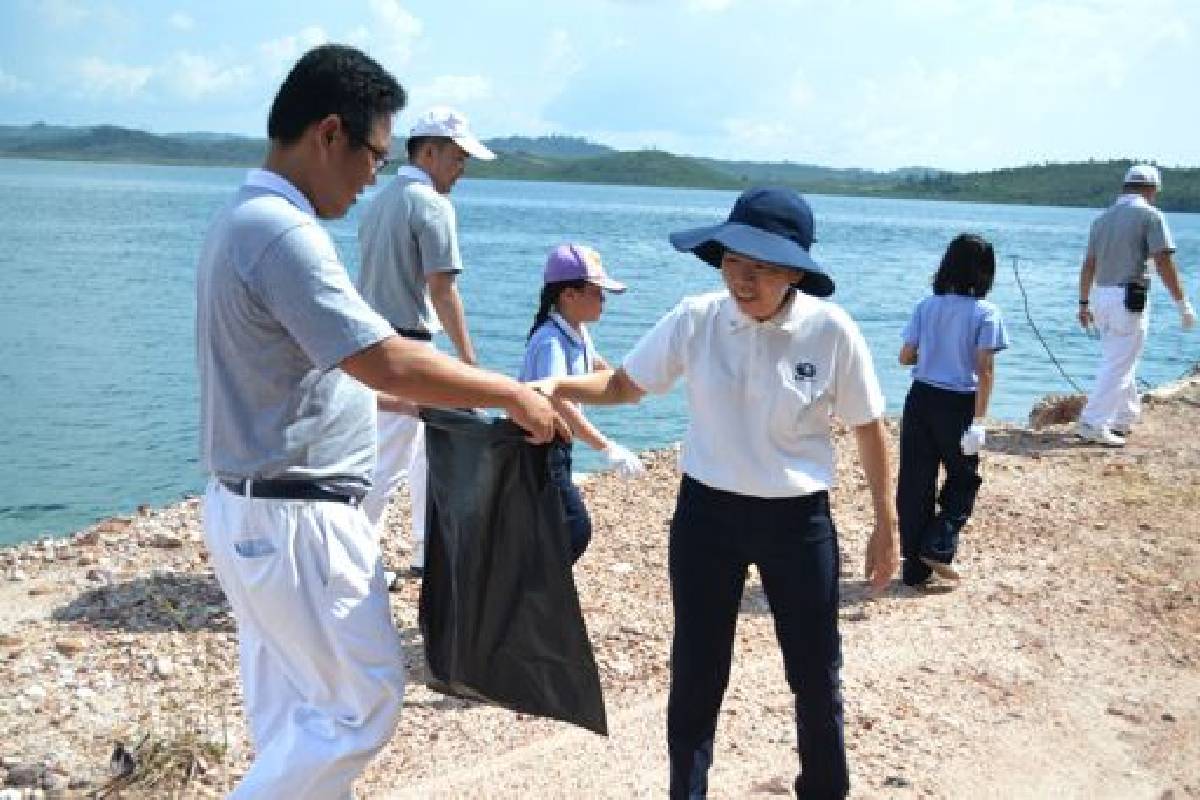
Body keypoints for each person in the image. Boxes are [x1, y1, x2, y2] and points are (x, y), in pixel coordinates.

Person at [196, 45, 565, 799]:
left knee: (297, 717)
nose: (372, 178)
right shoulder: (281, 234)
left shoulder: (241, 217)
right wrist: (506, 391)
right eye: (372, 154)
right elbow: (384, 360)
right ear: (329, 133)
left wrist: (433, 399)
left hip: (252, 508)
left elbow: (319, 379)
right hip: (296, 518)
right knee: (363, 707)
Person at [535, 188, 898, 799]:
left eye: (760, 267)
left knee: (815, 674)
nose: (742, 278)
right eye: (733, 261)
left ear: (794, 272)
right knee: (698, 673)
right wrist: (552, 387)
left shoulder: (830, 331)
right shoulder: (696, 318)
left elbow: (868, 424)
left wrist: (885, 522)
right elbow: (627, 386)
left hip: (798, 521)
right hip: (707, 517)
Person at [356, 105, 495, 578]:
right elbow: (442, 287)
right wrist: (469, 364)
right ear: (430, 152)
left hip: (372, 340)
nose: (461, 171)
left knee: (419, 454)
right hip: (409, 344)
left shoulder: (379, 201)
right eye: (458, 159)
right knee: (389, 463)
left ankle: (425, 546)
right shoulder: (432, 204)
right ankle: (355, 560)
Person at [518, 243, 646, 562]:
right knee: (574, 529)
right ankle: (536, 592)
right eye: (597, 292)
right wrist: (606, 447)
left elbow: (597, 367)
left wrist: (633, 385)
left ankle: (537, 593)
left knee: (552, 529)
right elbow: (559, 401)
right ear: (568, 295)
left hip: (558, 447)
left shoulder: (578, 331)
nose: (603, 300)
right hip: (540, 448)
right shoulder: (550, 341)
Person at [895, 234, 1009, 587]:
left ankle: (914, 569)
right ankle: (939, 543)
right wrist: (979, 422)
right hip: (958, 404)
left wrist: (929, 350)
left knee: (915, 482)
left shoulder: (926, 307)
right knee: (964, 479)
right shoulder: (986, 313)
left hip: (920, 398)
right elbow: (985, 369)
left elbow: (905, 357)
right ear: (985, 272)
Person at [1076, 164, 1195, 446]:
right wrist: (1182, 303)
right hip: (1128, 298)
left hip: (1101, 296)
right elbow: (1164, 261)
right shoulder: (1150, 216)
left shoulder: (1102, 219)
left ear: (1126, 186)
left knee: (1119, 357)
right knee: (1119, 362)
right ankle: (1092, 422)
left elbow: (1089, 264)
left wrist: (1083, 302)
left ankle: (1124, 417)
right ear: (1151, 189)